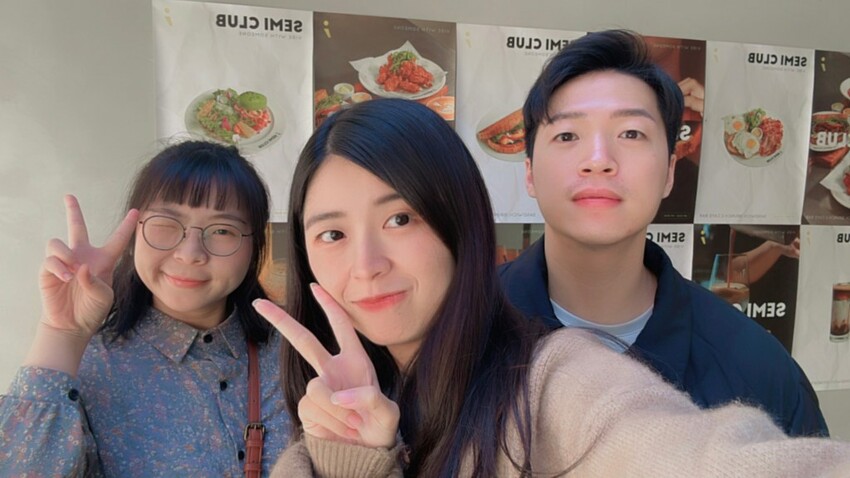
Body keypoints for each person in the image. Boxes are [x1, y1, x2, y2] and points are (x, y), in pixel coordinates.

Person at [251, 98, 850, 477]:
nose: (366, 265)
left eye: (400, 218)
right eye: (332, 234)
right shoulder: (326, 407)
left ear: (460, 222)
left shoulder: (551, 383)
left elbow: (711, 460)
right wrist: (352, 458)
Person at [498, 29, 829, 437]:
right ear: (530, 172)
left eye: (631, 134)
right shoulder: (454, 333)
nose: (598, 160)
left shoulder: (760, 373)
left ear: (670, 172)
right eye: (567, 135)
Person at [0, 141, 290, 476]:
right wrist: (61, 333)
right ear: (133, 234)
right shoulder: (87, 365)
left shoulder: (293, 353)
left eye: (223, 230)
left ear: (255, 247)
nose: (190, 253)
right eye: (166, 223)